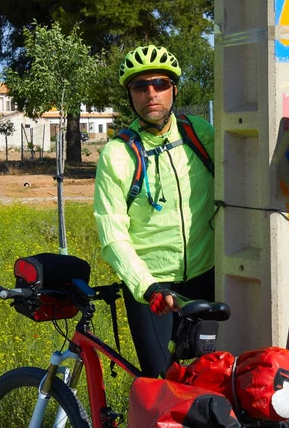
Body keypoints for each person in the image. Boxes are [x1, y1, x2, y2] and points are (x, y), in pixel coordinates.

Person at [93, 44, 215, 377]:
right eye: (140, 86)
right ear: (130, 95)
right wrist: (147, 287)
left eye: (160, 83)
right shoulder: (117, 155)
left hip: (208, 278)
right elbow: (112, 233)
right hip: (153, 291)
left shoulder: (200, 135)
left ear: (174, 89)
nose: (151, 93)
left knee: (216, 381)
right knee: (162, 387)